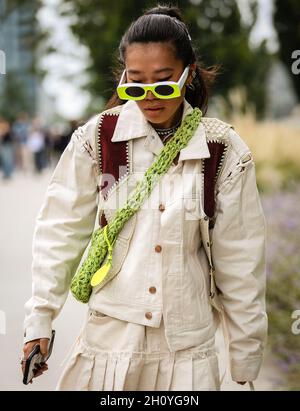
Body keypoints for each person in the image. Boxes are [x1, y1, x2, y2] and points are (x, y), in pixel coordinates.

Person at [21, 5, 267, 391]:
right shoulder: (95, 140)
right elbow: (59, 232)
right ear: (122, 79)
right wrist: (40, 320)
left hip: (188, 356)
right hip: (108, 349)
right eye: (134, 86)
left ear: (187, 76)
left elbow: (241, 260)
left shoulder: (223, 151)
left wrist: (245, 355)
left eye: (164, 84)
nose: (149, 97)